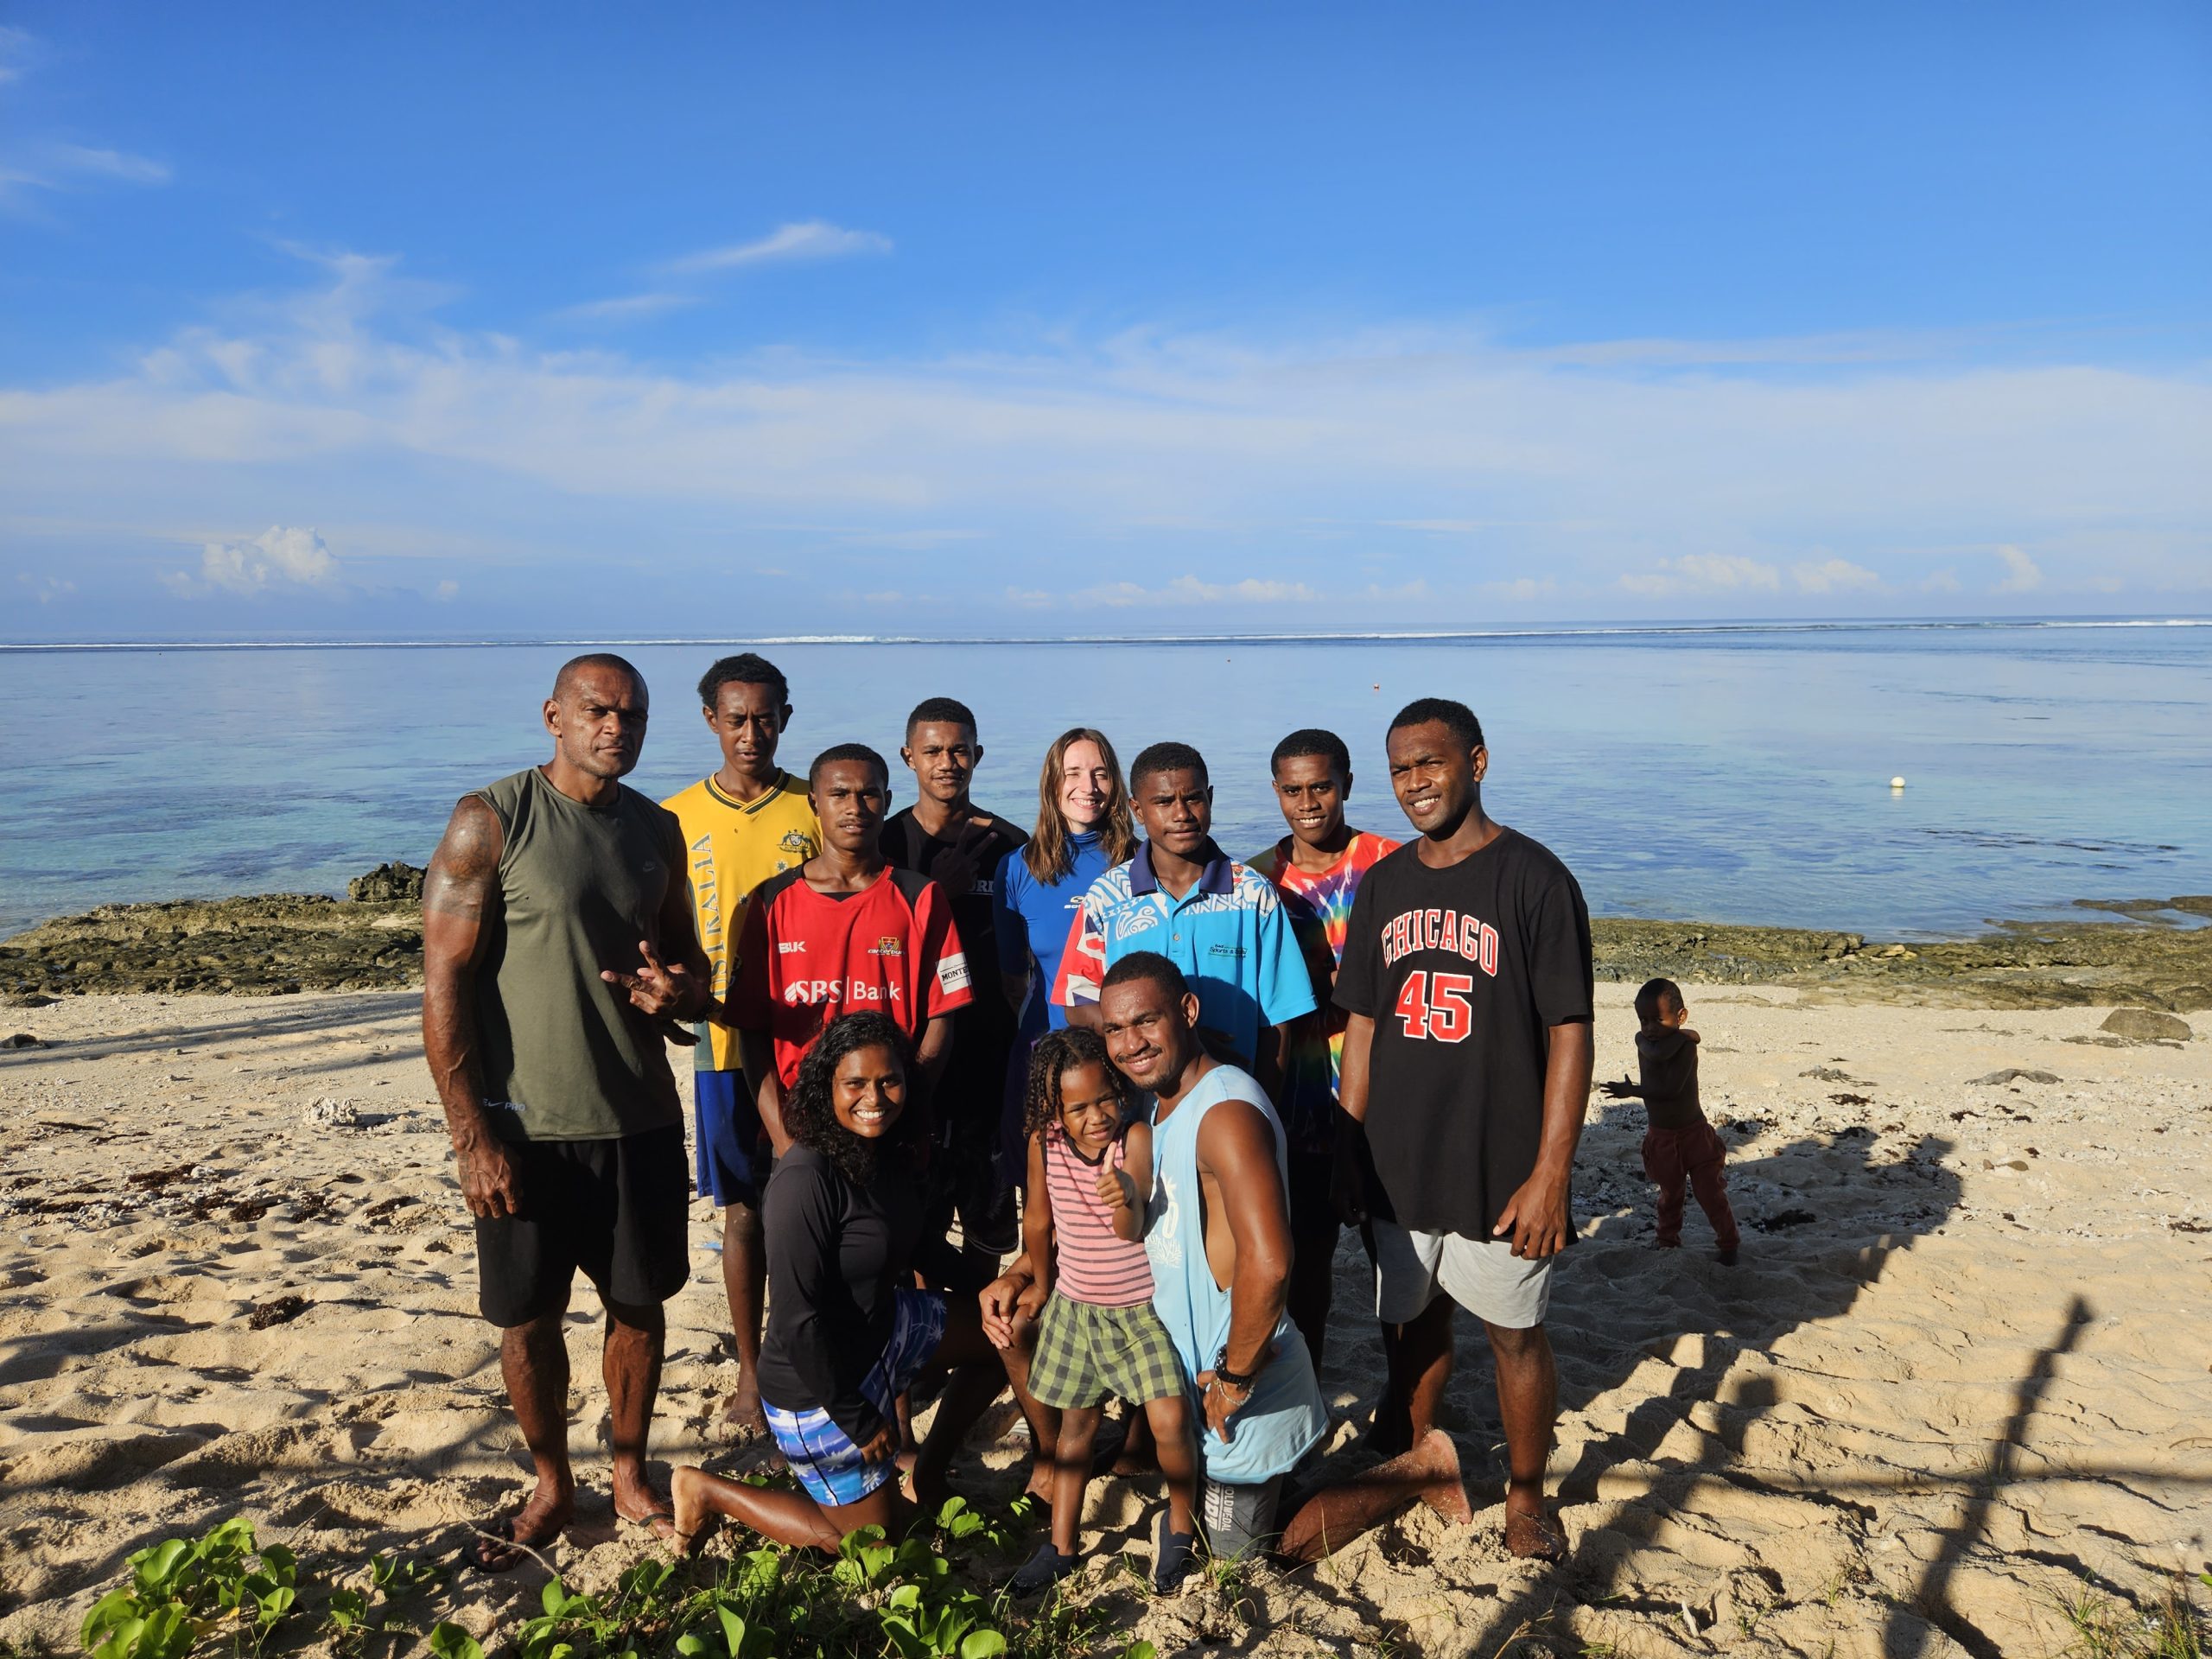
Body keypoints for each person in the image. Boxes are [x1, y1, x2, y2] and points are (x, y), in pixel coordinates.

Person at [421, 653, 714, 1569]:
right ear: (554, 715)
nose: (615, 727)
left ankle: (627, 1472)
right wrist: (472, 1136)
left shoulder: (657, 830)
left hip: (638, 1118)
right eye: (597, 711)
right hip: (524, 1129)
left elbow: (690, 970)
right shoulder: (491, 820)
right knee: (528, 1320)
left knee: (639, 1306)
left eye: (632, 714)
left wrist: (678, 994)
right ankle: (552, 1482)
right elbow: (442, 982)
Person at [1332, 696, 1595, 1563]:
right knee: (1412, 1322)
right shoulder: (1384, 884)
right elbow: (1362, 1029)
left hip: (1499, 1161)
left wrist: (1551, 1170)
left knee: (1515, 1333)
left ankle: (1527, 1498)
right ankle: (1422, 1456)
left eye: (1430, 764)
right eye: (1401, 769)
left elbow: (1569, 1031)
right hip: (1397, 1158)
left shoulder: (1534, 879)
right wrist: (1346, 1143)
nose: (1415, 784)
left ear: (1476, 762)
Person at [668, 1014, 1010, 1553]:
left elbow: (918, 1245)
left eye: (888, 1081)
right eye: (855, 1083)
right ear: (827, 1087)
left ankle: (930, 1473)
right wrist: (857, 1417)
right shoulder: (805, 1179)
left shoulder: (888, 1150)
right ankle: (709, 1489)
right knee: (874, 1547)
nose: (874, 1097)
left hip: (885, 1330)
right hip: (819, 1384)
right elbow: (796, 1321)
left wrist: (991, 1289)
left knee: (1006, 1339)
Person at [661, 652, 819, 1436]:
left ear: (785, 718)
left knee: (821, 1199)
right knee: (745, 1213)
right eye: (736, 719)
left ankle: (817, 1355)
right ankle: (752, 1376)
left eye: (765, 718)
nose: (750, 734)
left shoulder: (812, 807)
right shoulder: (673, 817)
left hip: (810, 1046)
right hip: (722, 1048)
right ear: (710, 722)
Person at [1003, 1027, 1199, 1597]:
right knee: (1074, 1434)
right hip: (1077, 1309)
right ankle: (1062, 1545)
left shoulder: (1133, 1139)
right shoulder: (1045, 1145)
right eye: (1078, 1108)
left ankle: (1179, 1524)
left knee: (1169, 1424)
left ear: (1119, 1090)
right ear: (1055, 1111)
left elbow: (1131, 1226)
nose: (1096, 1116)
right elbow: (1038, 1222)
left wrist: (1125, 1196)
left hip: (1140, 1313)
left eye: (1104, 1099)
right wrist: (1040, 1284)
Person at [728, 743, 971, 1160]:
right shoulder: (770, 902)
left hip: (889, 1120)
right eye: (839, 794)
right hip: (801, 1127)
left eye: (869, 793)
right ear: (814, 803)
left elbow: (941, 1020)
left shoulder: (920, 896)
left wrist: (904, 1108)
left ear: (887, 801)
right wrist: (782, 1136)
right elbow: (751, 1030)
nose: (854, 807)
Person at [1247, 728, 1401, 1367]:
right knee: (1306, 1263)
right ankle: (1307, 1388)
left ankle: (1401, 1395)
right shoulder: (1258, 878)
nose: (1307, 802)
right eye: (1292, 790)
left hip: (1386, 1096)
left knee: (1395, 1265)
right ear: (1276, 792)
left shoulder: (1393, 866)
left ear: (1346, 785)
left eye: (1321, 787)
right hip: (1300, 1097)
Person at [1052, 741, 1315, 1096]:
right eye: (1162, 802)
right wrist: (1164, 1036)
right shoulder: (1106, 898)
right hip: (1137, 1110)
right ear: (1137, 810)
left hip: (1229, 1099)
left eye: (1193, 798)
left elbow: (1279, 1018)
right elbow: (1078, 1003)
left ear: (1209, 798)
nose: (1182, 814)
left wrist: (1261, 1105)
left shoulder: (1253, 895)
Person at [880, 697, 1030, 1288]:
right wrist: (933, 894)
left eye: (959, 750)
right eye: (934, 751)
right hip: (912, 1060)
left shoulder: (1009, 845)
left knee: (987, 1227)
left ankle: (975, 1341)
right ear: (909, 756)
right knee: (915, 1224)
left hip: (990, 1061)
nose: (948, 762)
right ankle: (923, 1346)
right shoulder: (886, 845)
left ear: (978, 756)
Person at [993, 728, 1138, 1174]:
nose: (1088, 788)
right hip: (1045, 1050)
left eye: (1100, 774)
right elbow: (1013, 979)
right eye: (1072, 773)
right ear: (1052, 783)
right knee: (1041, 1192)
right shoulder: (1018, 868)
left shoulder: (1142, 863)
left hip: (1124, 1052)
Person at [1602, 978, 1740, 1264]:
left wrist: (1633, 1091)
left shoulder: (1686, 1049)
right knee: (1669, 1196)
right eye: (1644, 1020)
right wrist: (1682, 1033)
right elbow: (1654, 1049)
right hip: (1662, 1137)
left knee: (1710, 1194)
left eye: (1658, 1020)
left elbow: (1670, 1091)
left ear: (1681, 1016)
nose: (1650, 1027)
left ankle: (1729, 1243)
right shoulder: (1653, 1042)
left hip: (1694, 1135)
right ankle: (1667, 1240)